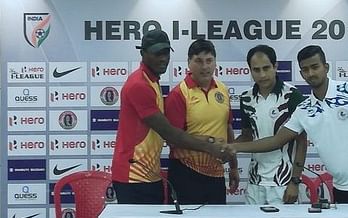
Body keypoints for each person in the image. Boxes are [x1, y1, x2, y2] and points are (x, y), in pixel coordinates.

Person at [228, 45, 348, 204]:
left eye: (315, 67)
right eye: (305, 70)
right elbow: (276, 141)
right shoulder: (304, 109)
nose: (311, 73)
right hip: (340, 188)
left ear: (325, 67)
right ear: (301, 73)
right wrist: (234, 147)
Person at [111, 29, 232, 204]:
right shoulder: (139, 85)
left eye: (166, 52)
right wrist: (209, 146)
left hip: (149, 173)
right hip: (134, 176)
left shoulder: (151, 80)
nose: (163, 58)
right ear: (143, 53)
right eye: (156, 53)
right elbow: (170, 134)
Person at [165, 39, 239, 204]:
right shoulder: (178, 94)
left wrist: (233, 167)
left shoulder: (223, 90)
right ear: (189, 63)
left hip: (216, 174)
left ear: (215, 62)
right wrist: (209, 144)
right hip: (185, 172)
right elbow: (173, 139)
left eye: (209, 61)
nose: (204, 67)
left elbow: (228, 128)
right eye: (198, 61)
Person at [236, 45, 307, 204]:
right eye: (256, 70)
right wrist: (224, 148)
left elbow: (302, 142)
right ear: (250, 70)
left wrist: (295, 182)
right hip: (255, 182)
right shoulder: (246, 98)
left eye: (266, 68)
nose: (262, 75)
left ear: (275, 67)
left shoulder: (292, 96)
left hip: (284, 181)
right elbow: (247, 135)